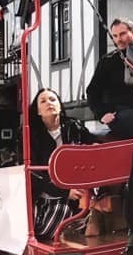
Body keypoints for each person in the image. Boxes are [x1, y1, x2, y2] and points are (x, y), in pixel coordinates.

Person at [29, 88, 97, 239]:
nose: (49, 103)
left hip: (78, 186)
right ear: (38, 111)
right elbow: (35, 175)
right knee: (47, 227)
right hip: (48, 192)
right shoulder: (31, 135)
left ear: (60, 105)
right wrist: (65, 192)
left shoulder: (75, 126)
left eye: (53, 99)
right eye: (43, 101)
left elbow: (93, 147)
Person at [86, 18, 133, 139]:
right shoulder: (108, 61)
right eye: (114, 36)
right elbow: (92, 91)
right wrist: (102, 114)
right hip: (120, 112)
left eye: (122, 34)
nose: (118, 40)